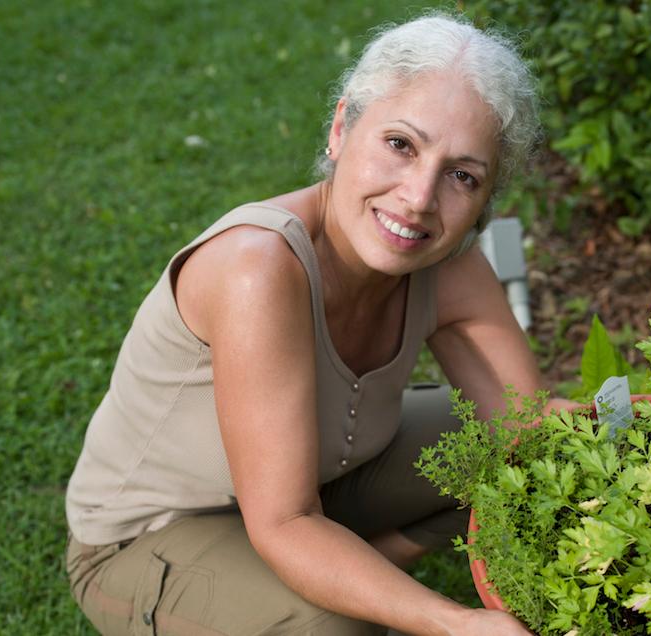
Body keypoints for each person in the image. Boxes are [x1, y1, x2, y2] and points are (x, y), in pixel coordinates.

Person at [65, 13, 573, 635]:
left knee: (504, 452)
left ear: (484, 203)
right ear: (341, 129)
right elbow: (284, 522)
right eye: (401, 145)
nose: (418, 197)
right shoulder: (257, 271)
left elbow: (532, 430)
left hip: (320, 486)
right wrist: (452, 622)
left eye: (461, 176)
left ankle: (354, 572)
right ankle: (308, 600)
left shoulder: (450, 265)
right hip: (149, 537)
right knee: (332, 631)